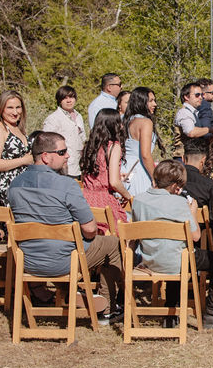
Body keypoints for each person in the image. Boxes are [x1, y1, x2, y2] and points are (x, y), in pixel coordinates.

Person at [8, 131, 123, 322]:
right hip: (63, 261)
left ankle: (71, 292)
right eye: (62, 152)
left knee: (60, 247)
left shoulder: (15, 184)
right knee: (113, 243)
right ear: (45, 156)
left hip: (28, 261)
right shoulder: (66, 185)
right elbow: (89, 229)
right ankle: (107, 309)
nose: (68, 155)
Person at [131, 159, 213, 329]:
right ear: (174, 186)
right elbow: (195, 236)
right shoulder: (179, 203)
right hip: (177, 262)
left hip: (150, 261)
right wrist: (192, 212)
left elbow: (135, 233)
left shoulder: (138, 201)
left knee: (174, 250)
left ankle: (170, 313)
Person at [182, 138, 213, 327]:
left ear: (184, 159)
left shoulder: (173, 183)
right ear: (203, 162)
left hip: (174, 244)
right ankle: (212, 311)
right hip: (199, 242)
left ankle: (176, 304)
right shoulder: (209, 185)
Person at [79, 108, 130, 230]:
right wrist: (127, 195)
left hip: (85, 198)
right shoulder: (114, 147)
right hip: (103, 200)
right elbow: (114, 182)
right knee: (122, 233)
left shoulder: (89, 146)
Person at [0, 90, 33, 206]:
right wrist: (23, 160)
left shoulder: (18, 128)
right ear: (1, 109)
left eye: (18, 107)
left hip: (24, 185)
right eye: (10, 108)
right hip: (9, 188)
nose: (15, 112)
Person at [123, 87, 163, 198]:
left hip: (125, 169)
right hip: (139, 171)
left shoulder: (127, 120)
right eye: (150, 101)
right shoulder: (145, 122)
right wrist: (155, 178)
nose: (154, 104)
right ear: (140, 102)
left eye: (154, 100)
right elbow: (145, 155)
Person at [41, 86, 87, 178]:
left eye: (71, 97)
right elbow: (46, 143)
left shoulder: (79, 116)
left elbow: (83, 139)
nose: (69, 100)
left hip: (78, 167)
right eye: (65, 98)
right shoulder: (53, 119)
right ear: (59, 101)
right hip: (62, 168)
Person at [172, 82, 211, 161]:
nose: (200, 97)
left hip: (191, 157)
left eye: (202, 95)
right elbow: (191, 132)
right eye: (197, 95)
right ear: (186, 97)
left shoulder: (192, 113)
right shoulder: (184, 112)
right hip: (182, 157)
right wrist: (209, 130)